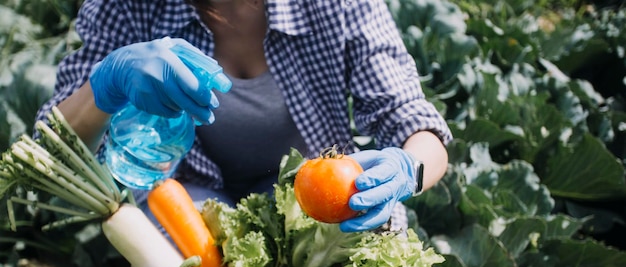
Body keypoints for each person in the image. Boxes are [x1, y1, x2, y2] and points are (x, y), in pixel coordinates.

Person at [35, 0, 452, 233]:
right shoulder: (127, 7)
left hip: (315, 189)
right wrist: (105, 86)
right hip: (186, 196)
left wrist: (406, 169)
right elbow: (48, 158)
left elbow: (409, 117)